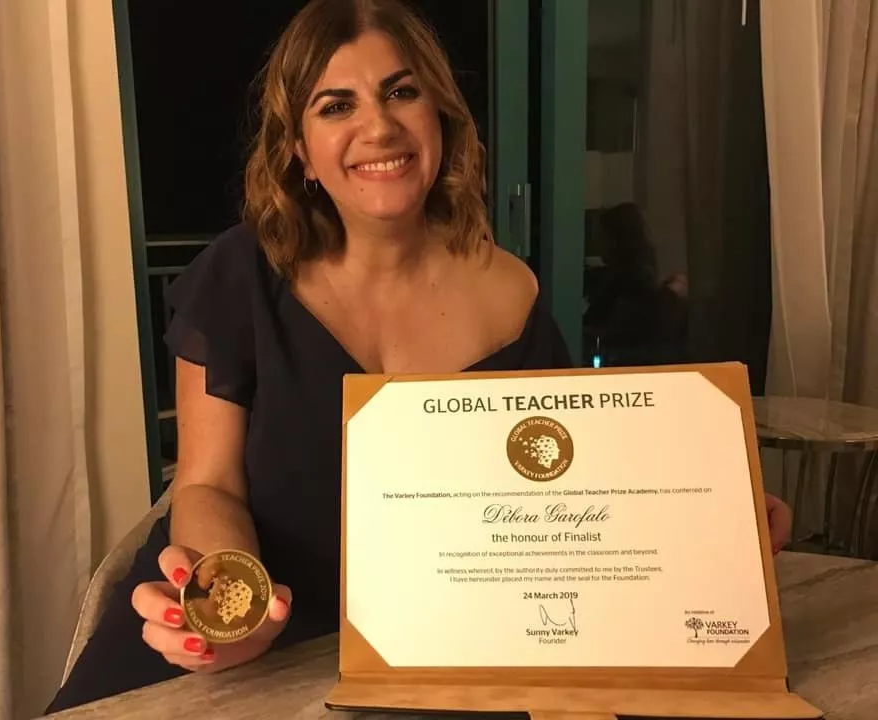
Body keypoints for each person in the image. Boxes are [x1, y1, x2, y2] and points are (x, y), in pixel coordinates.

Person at [45, 0, 792, 711]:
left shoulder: (512, 296)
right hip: (235, 652)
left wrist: (705, 517)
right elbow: (208, 485)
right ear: (301, 152)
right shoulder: (239, 275)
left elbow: (559, 490)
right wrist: (230, 604)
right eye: (336, 106)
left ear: (440, 116)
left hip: (434, 652)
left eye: (401, 92)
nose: (378, 126)